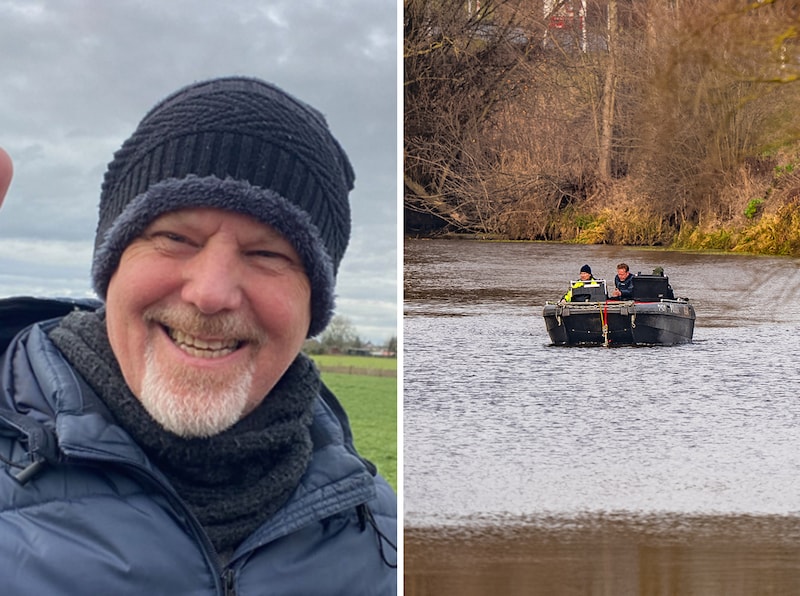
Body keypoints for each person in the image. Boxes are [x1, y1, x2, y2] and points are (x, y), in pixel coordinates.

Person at [0, 77, 396, 594]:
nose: (210, 294)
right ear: (111, 265)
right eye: (174, 238)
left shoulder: (380, 537)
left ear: (313, 306)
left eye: (268, 253)